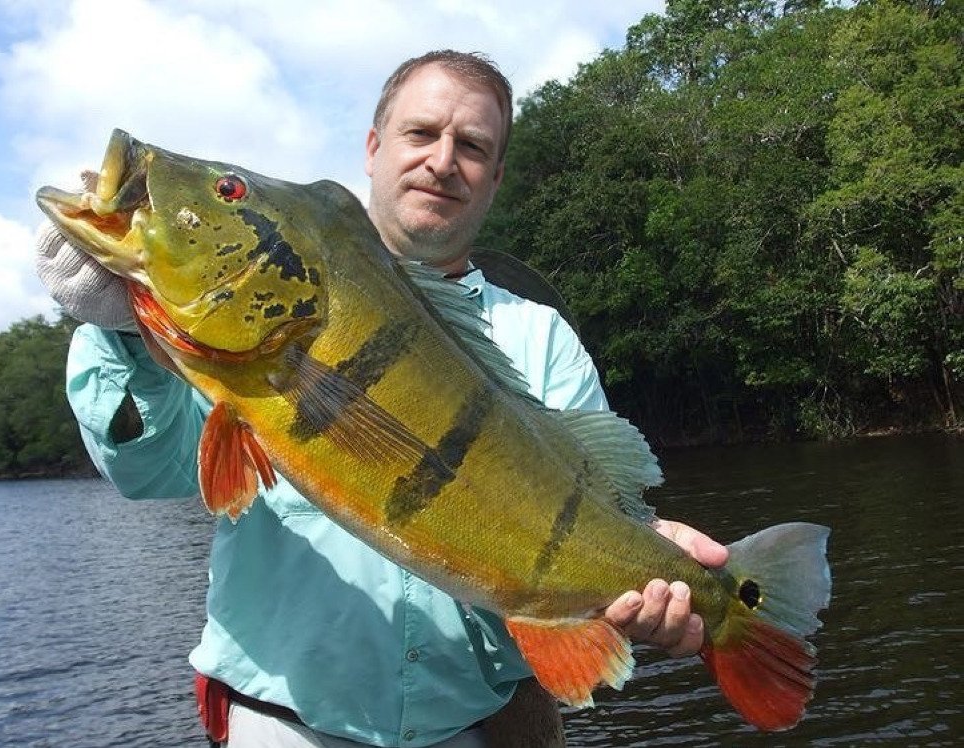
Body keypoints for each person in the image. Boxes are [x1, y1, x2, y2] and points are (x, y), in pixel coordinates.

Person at [38, 50, 728, 748]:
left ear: (496, 177)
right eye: (422, 133)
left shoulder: (541, 337)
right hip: (284, 726)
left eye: (473, 146)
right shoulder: (239, 345)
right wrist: (123, 332)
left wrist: (651, 564)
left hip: (475, 727)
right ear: (374, 148)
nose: (442, 160)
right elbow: (148, 468)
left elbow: (606, 506)